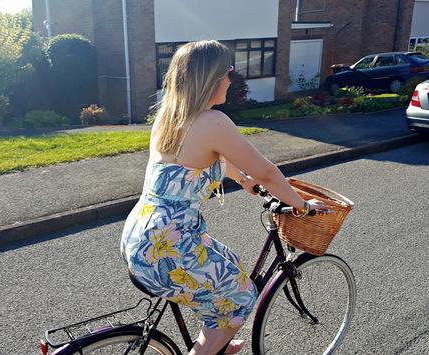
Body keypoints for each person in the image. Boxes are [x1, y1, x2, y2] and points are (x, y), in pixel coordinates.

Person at [120, 40, 325, 354]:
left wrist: (242, 180)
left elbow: (201, 161)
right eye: (229, 71)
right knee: (242, 297)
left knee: (230, 265)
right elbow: (268, 173)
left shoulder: (170, 115)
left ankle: (217, 342)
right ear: (212, 77)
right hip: (171, 246)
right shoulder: (213, 122)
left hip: (141, 237)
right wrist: (302, 206)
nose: (233, 78)